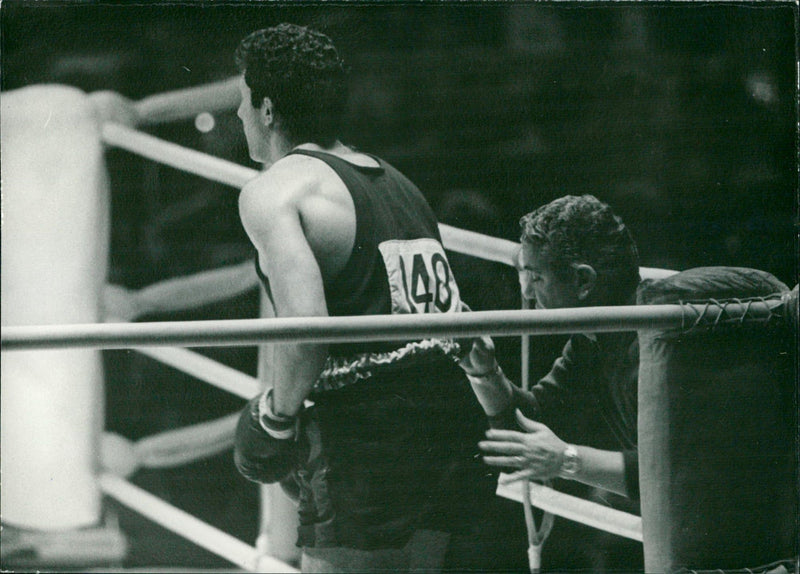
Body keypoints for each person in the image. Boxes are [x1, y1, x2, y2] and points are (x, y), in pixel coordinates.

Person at [230, 23, 497, 573]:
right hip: (445, 429)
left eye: (241, 101)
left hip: (366, 444)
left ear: (269, 110)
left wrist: (275, 419)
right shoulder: (400, 184)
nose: (237, 115)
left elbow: (306, 335)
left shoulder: (276, 190)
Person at [459, 194, 644, 569]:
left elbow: (671, 468)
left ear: (582, 280)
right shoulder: (593, 340)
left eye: (536, 276)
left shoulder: (650, 343)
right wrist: (483, 371)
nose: (526, 293)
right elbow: (533, 423)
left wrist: (567, 460)